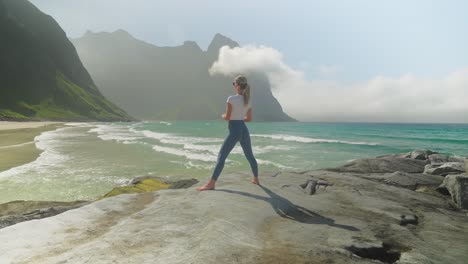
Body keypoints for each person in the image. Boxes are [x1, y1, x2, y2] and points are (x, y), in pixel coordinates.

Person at [197, 75, 259, 191]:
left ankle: (211, 184)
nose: (234, 85)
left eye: (234, 84)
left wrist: (223, 116)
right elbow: (249, 119)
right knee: (250, 155)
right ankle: (256, 178)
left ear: (237, 85)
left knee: (221, 156)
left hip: (234, 130)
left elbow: (228, 117)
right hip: (243, 129)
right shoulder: (248, 100)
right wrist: (239, 117)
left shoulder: (231, 99)